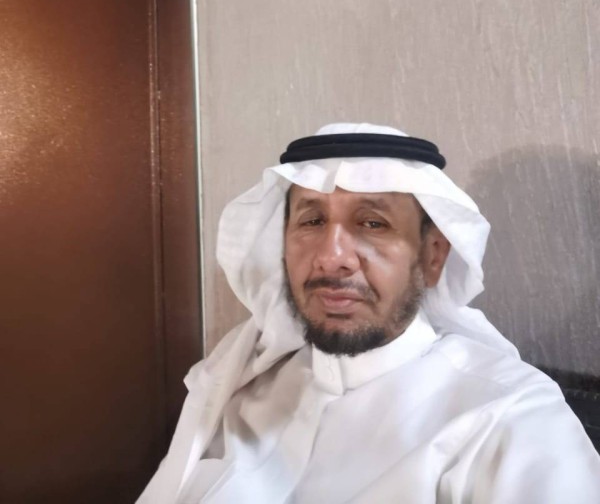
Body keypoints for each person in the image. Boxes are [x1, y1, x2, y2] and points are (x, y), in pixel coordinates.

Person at [137, 123, 600, 503]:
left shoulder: (507, 418)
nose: (331, 257)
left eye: (373, 223)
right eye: (312, 221)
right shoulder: (239, 390)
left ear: (433, 256)